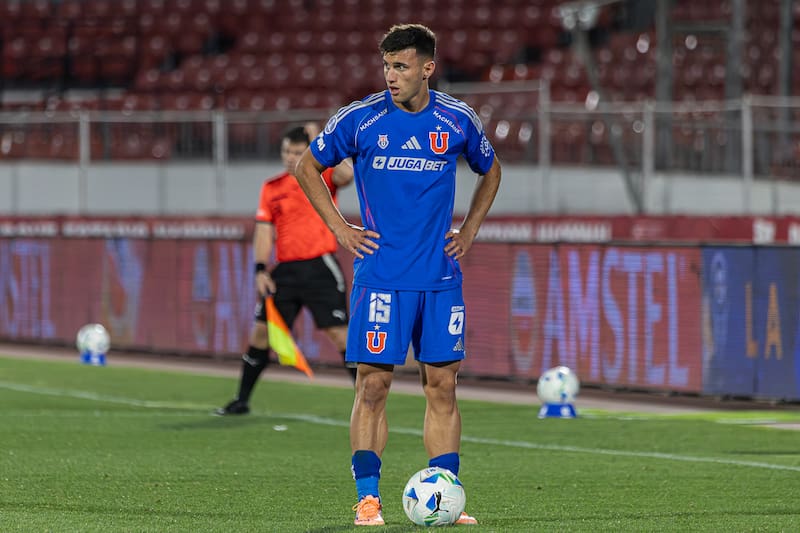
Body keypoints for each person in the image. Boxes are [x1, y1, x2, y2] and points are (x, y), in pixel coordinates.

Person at [294, 24, 502, 526]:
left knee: (443, 387)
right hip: (382, 276)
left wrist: (470, 229)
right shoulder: (362, 119)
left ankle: (448, 497)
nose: (391, 76)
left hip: (439, 278)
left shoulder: (457, 120)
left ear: (427, 67)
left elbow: (490, 169)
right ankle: (368, 497)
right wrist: (340, 228)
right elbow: (307, 166)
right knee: (372, 386)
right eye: (386, 66)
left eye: (401, 66)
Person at [215, 124, 356, 416]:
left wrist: (320, 141)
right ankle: (241, 400)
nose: (290, 157)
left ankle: (368, 402)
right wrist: (259, 269)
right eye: (286, 152)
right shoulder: (272, 188)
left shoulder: (322, 176)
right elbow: (264, 233)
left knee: (341, 336)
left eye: (296, 151)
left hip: (320, 267)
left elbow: (348, 174)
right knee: (260, 336)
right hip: (286, 272)